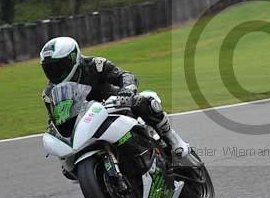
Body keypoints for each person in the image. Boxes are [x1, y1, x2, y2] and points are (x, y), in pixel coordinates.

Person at [38, 36, 189, 158]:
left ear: (73, 58)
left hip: (113, 105)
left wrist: (127, 89)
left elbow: (124, 75)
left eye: (59, 66)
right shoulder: (49, 93)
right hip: (85, 125)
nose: (54, 72)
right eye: (49, 68)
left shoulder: (95, 64)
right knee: (67, 164)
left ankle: (174, 140)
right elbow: (55, 119)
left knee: (146, 101)